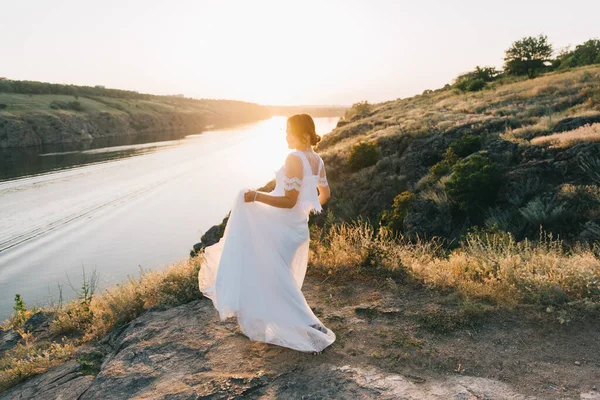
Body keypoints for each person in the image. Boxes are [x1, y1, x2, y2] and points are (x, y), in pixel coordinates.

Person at [198, 114, 335, 353]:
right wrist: (306, 212)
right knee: (278, 277)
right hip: (296, 227)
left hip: (282, 226)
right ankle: (292, 321)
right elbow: (324, 195)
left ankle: (311, 325)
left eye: (289, 132)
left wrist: (256, 196)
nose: (286, 136)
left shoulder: (294, 157)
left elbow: (289, 200)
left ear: (303, 134)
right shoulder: (317, 160)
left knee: (279, 278)